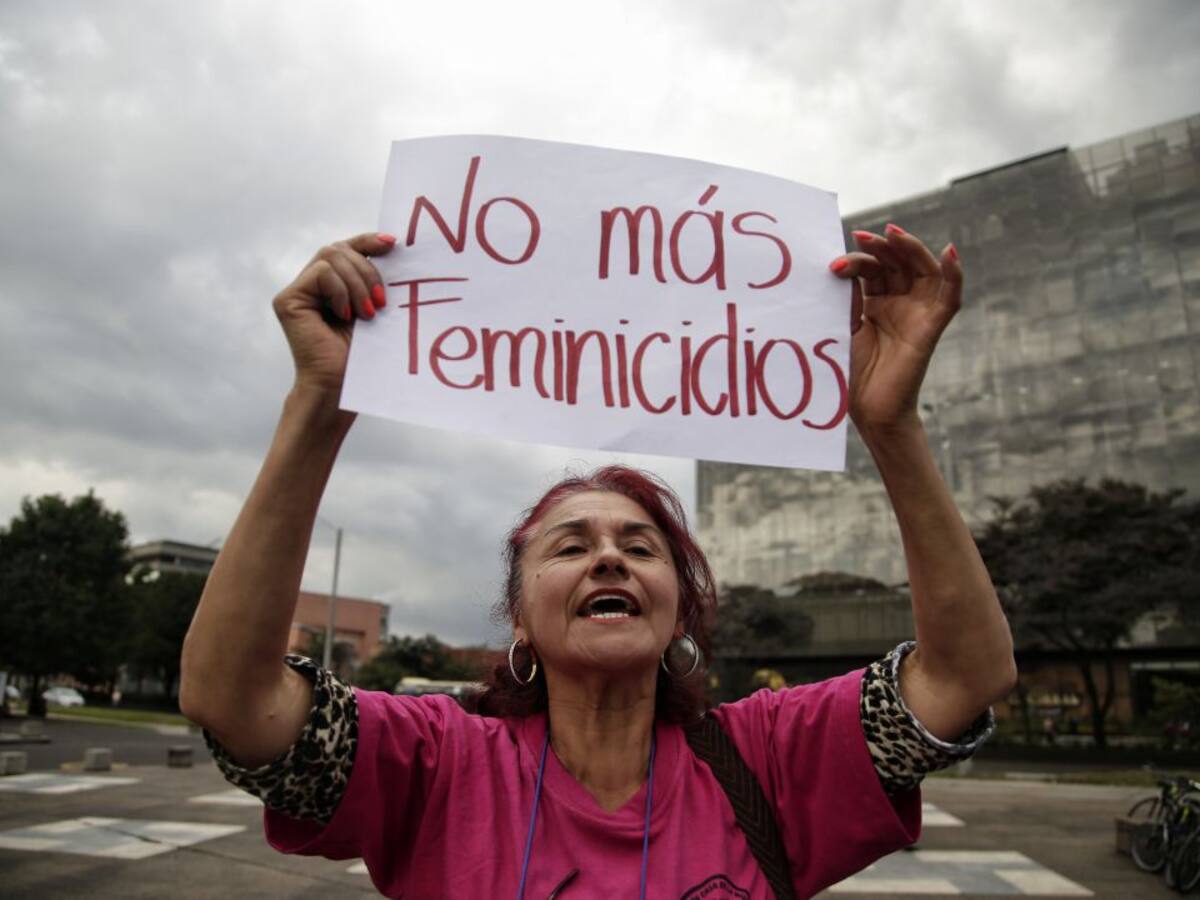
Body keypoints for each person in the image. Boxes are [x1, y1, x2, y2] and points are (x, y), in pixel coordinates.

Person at [180, 225, 1016, 899]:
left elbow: (963, 678)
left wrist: (890, 428)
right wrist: (318, 406)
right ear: (520, 617)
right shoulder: (439, 761)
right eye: (572, 546)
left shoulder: (770, 757)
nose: (609, 557)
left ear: (679, 607)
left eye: (640, 547)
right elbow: (234, 699)